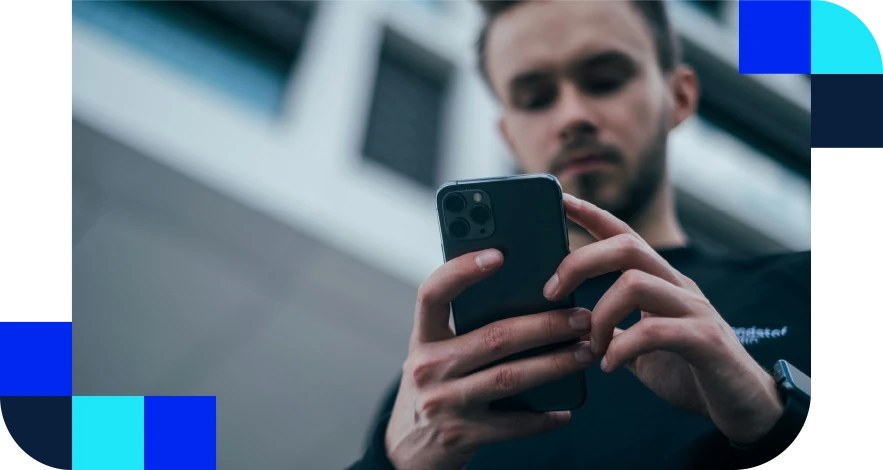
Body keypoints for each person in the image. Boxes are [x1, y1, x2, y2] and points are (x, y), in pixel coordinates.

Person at [345, 0, 883, 468]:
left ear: (679, 97)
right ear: (509, 133)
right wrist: (393, 463)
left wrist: (771, 414)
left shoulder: (826, 292)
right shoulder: (443, 386)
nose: (574, 115)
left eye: (604, 80)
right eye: (535, 98)